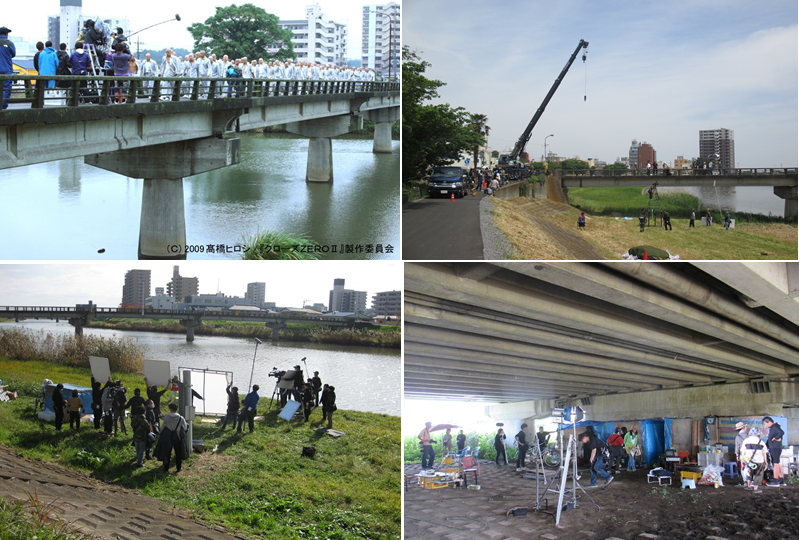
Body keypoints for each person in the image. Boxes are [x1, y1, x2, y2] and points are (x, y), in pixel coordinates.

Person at [155, 403, 188, 473]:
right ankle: (179, 467)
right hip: (178, 437)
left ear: (170, 409)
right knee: (178, 452)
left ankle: (166, 467)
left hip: (168, 437)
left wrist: (161, 433)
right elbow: (185, 427)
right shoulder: (181, 418)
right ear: (177, 409)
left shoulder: (167, 417)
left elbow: (163, 426)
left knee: (167, 452)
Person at [741, 427, 768, 493]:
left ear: (750, 433)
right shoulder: (761, 442)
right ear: (758, 434)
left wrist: (743, 460)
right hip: (759, 461)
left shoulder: (746, 441)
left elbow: (743, 452)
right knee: (758, 474)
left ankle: (749, 486)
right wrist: (765, 461)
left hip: (748, 461)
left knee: (749, 473)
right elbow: (764, 452)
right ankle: (756, 488)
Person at [763, 417, 785, 486]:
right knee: (777, 463)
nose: (765, 425)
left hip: (775, 448)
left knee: (775, 463)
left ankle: (775, 480)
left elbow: (782, 432)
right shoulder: (774, 428)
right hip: (775, 447)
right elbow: (769, 439)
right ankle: (781, 479)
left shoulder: (774, 427)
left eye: (765, 424)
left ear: (769, 422)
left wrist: (776, 438)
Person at [0, 26, 16, 111]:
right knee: (6, 89)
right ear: (6, 34)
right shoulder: (9, 43)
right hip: (6, 70)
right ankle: (2, 107)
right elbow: (13, 54)